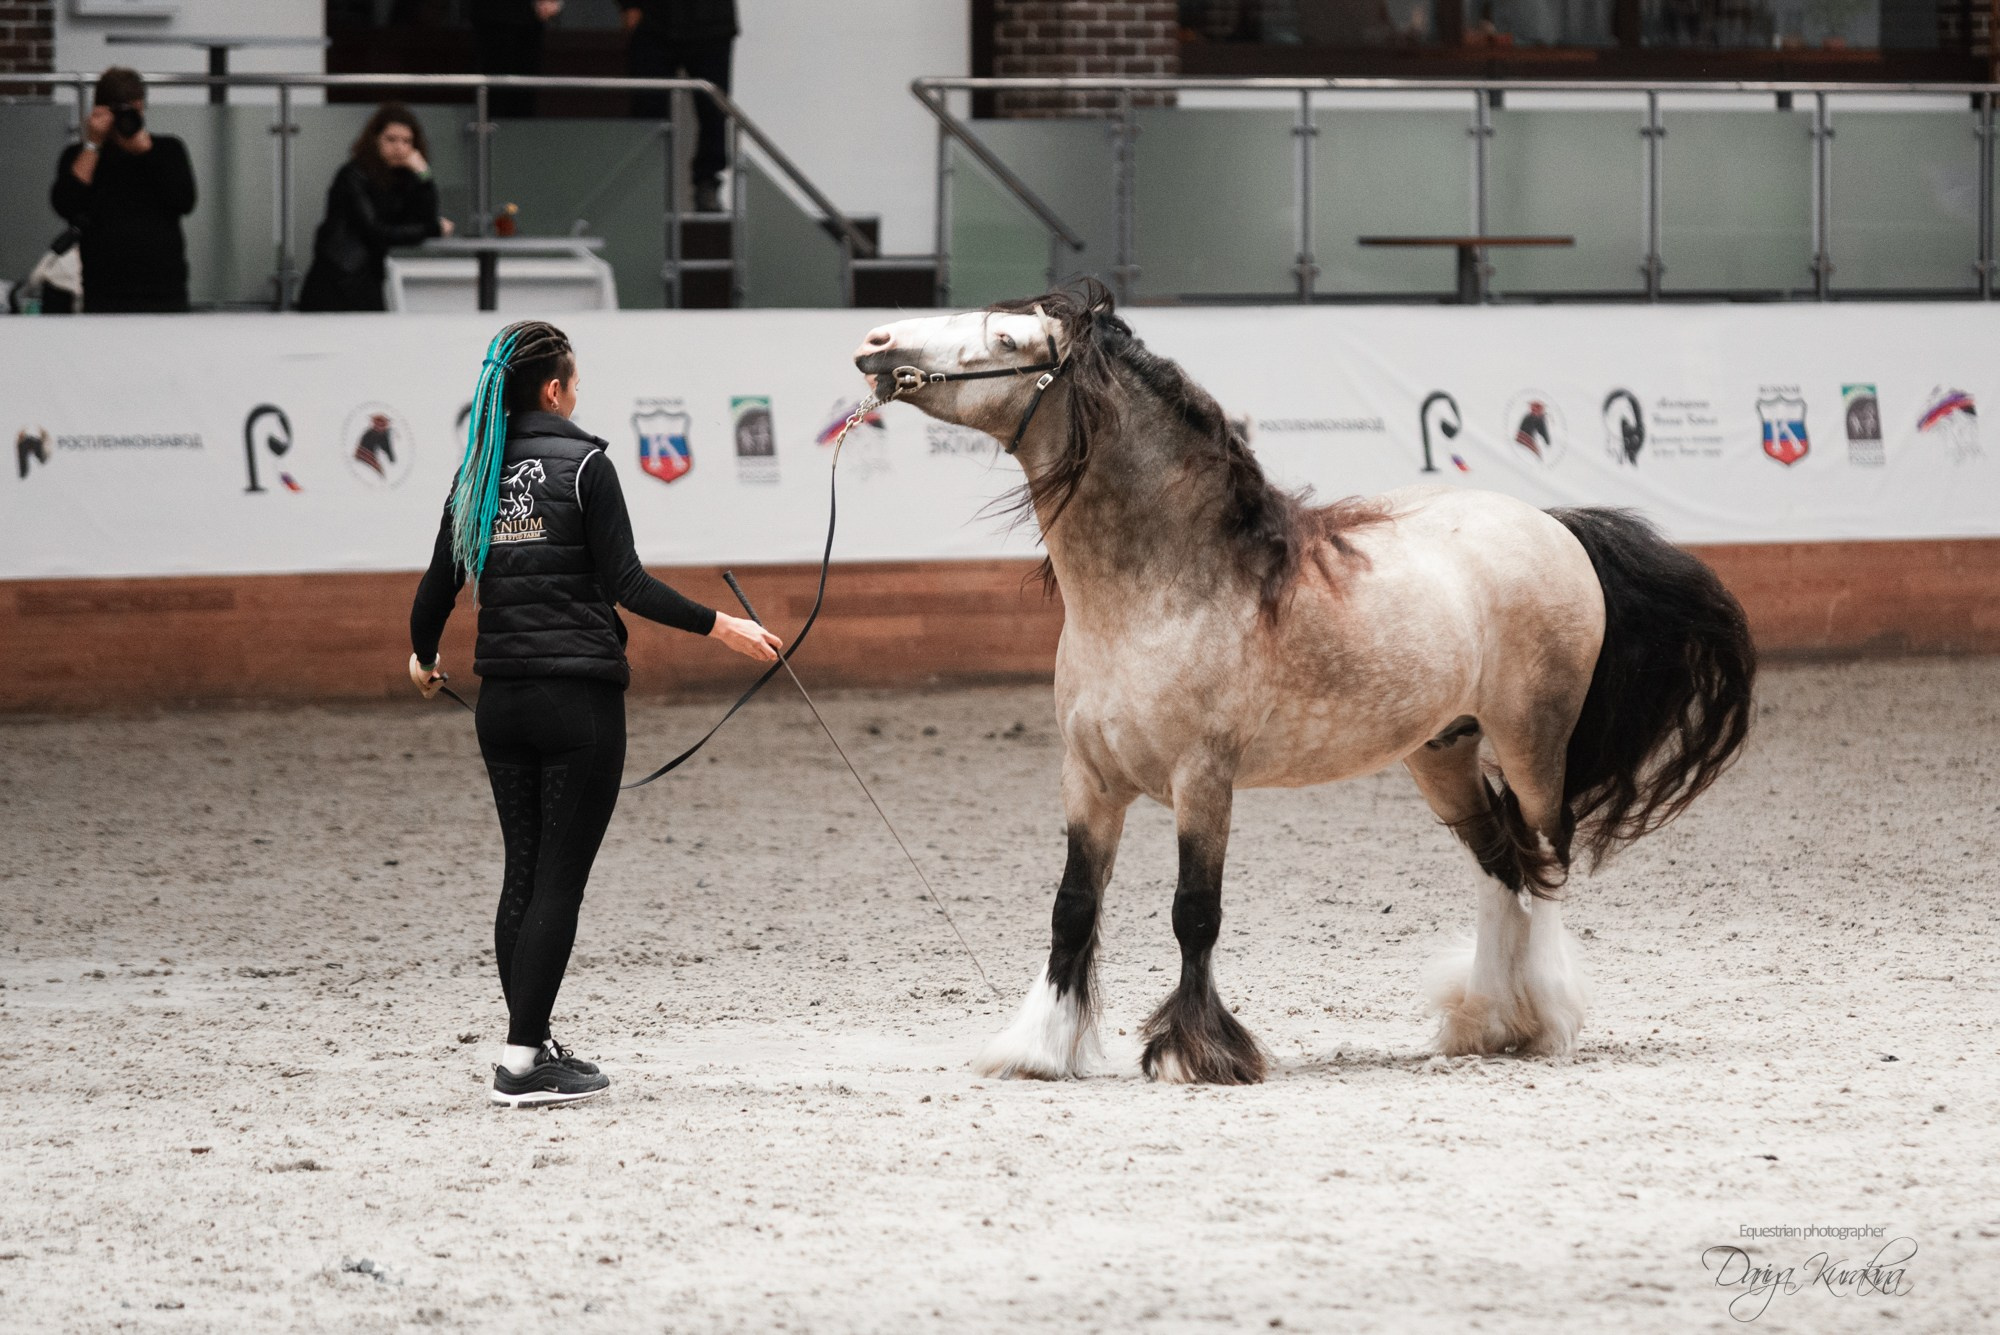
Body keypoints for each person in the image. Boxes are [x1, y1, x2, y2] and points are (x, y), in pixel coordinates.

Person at [408, 320, 781, 1108]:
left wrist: (423, 657)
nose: (578, 395)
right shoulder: (587, 467)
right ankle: (521, 1064)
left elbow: (434, 591)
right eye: (574, 383)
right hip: (576, 700)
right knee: (559, 883)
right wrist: (727, 626)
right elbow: (628, 584)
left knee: (524, 872)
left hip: (501, 701)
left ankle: (530, 1041)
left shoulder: (474, 476)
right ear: (554, 389)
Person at [49, 66, 197, 314]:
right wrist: (93, 144)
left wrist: (146, 152)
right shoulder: (80, 156)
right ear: (100, 111)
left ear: (141, 107)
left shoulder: (167, 149)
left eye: (132, 110)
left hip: (165, 290)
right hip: (103, 291)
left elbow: (184, 201)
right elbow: (66, 204)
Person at [298, 103, 454, 312]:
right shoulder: (353, 175)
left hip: (366, 278)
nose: (399, 147)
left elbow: (422, 219)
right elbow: (375, 230)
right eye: (391, 139)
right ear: (375, 140)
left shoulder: (401, 179)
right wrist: (434, 228)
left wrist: (424, 176)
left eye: (407, 141)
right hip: (338, 281)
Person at [623, 0, 738, 212]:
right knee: (647, 111)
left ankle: (707, 184)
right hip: (653, 20)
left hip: (712, 22)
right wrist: (629, 5)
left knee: (714, 112)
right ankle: (647, 186)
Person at [471, 0, 564, 118]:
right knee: (495, 89)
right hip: (494, 18)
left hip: (526, 19)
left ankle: (517, 130)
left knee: (522, 91)